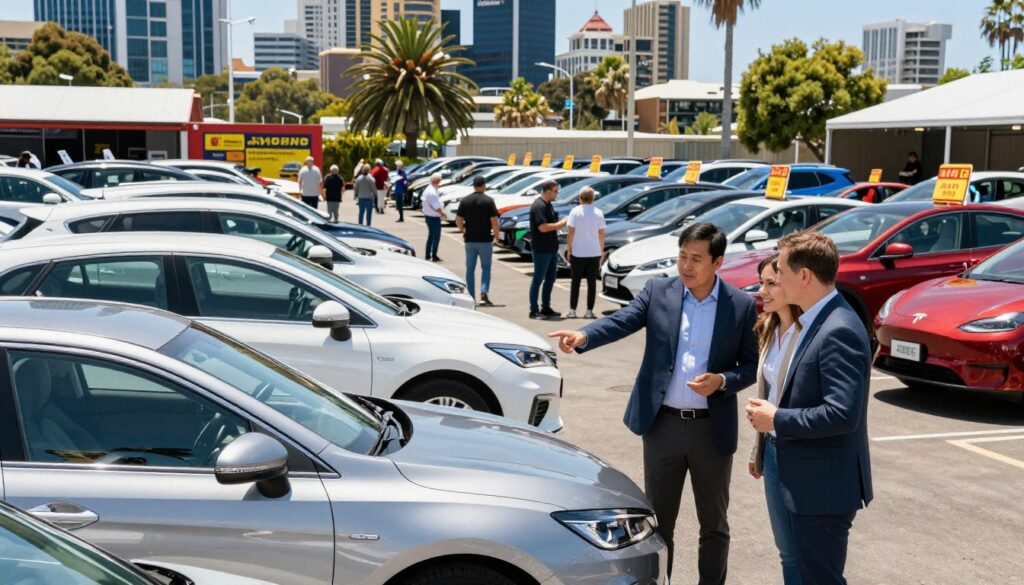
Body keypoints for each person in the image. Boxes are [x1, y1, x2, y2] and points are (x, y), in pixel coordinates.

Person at [549, 222, 759, 583]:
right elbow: (622, 321)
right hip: (663, 426)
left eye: (696, 259)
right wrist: (584, 335)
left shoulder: (739, 305)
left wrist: (723, 381)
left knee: (714, 524)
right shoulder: (659, 291)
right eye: (682, 256)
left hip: (712, 430)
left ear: (718, 262)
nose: (686, 266)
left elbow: (752, 365)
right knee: (659, 523)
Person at [746, 231, 873, 585]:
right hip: (796, 469)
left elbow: (842, 414)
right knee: (797, 565)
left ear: (804, 276)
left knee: (820, 577)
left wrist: (776, 419)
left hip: (822, 485)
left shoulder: (838, 328)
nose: (776, 281)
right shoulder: (814, 317)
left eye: (781, 273)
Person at [747, 255, 804, 585]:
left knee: (807, 550)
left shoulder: (807, 332)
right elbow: (768, 395)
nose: (762, 291)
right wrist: (758, 450)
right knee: (786, 549)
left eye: (770, 283)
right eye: (761, 283)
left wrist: (775, 420)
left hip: (800, 451)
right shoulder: (769, 327)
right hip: (772, 448)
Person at [456, 175, 499, 306]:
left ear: (473, 185)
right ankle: (484, 294)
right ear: (484, 185)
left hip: (470, 240)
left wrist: (463, 230)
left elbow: (458, 220)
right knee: (486, 268)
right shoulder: (489, 201)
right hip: (485, 240)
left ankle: (470, 296)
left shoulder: (465, 201)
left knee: (470, 268)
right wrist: (496, 236)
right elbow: (494, 222)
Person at [529, 180, 567, 320]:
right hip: (541, 248)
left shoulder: (548, 205)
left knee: (551, 279)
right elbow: (542, 227)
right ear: (547, 191)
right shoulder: (539, 206)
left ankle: (546, 307)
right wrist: (559, 224)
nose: (557, 194)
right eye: (555, 191)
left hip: (551, 248)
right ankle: (534, 310)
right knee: (538, 279)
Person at [565, 186, 605, 319]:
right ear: (593, 198)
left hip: (578, 251)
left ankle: (572, 310)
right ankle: (589, 311)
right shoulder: (599, 212)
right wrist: (602, 250)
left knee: (575, 282)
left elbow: (570, 232)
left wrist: (569, 248)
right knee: (591, 283)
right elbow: (601, 234)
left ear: (580, 198)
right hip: (593, 252)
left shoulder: (575, 212)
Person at [422, 173, 445, 262]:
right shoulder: (432, 192)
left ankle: (428, 254)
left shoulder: (429, 189)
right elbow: (435, 206)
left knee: (431, 236)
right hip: (433, 217)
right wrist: (442, 213)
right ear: (437, 181)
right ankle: (434, 255)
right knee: (436, 237)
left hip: (428, 216)